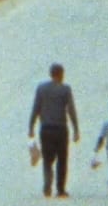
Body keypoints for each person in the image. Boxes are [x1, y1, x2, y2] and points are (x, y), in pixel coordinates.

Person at [28, 63, 79, 198]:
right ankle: (60, 189)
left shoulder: (41, 89)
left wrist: (31, 126)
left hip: (46, 129)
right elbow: (71, 110)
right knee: (62, 159)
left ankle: (47, 186)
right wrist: (76, 129)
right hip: (61, 129)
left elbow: (36, 107)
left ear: (51, 74)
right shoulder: (65, 89)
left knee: (47, 159)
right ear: (61, 74)